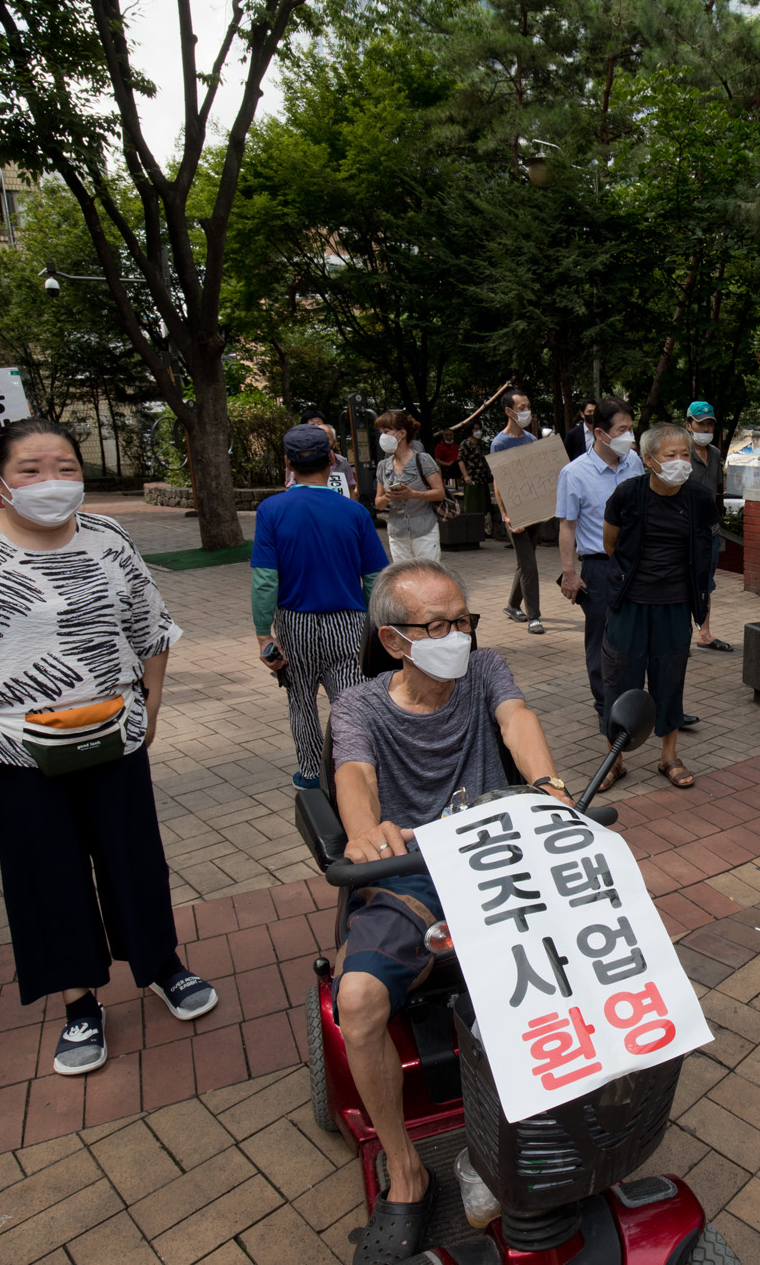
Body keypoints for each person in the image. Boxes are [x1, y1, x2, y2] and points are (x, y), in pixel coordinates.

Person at [0, 418, 216, 1078]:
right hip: (16, 748)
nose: (51, 481)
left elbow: (151, 629)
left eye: (65, 466)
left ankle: (160, 964)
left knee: (135, 859)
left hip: (112, 733)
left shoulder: (108, 536)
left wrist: (150, 706)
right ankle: (79, 1000)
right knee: (47, 874)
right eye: (31, 469)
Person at [328, 560, 574, 1262]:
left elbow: (517, 716)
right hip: (409, 877)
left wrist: (547, 784)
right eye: (438, 625)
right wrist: (364, 827)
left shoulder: (486, 668)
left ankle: (515, 1136)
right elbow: (352, 774)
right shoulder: (361, 704)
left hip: (495, 864)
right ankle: (405, 1168)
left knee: (575, 967)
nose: (459, 635)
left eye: (464, 619)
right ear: (396, 640)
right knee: (360, 997)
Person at [253, 426, 391, 792]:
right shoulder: (354, 512)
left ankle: (312, 775)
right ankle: (354, 773)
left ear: (287, 463)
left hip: (294, 622)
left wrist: (264, 633)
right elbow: (375, 578)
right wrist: (376, 624)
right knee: (349, 703)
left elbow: (265, 579)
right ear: (332, 460)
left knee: (300, 701)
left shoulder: (270, 510)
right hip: (348, 623)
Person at [601, 424, 718, 788]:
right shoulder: (627, 495)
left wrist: (703, 609)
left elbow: (705, 556)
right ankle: (614, 760)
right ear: (649, 459)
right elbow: (610, 545)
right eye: (671, 456)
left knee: (670, 680)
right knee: (620, 680)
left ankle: (668, 757)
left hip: (675, 605)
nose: (680, 462)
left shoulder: (699, 499)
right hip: (630, 603)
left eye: (685, 455)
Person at [556, 398, 643, 720]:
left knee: (636, 635)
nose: (628, 437)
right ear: (599, 433)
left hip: (637, 563)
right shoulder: (574, 473)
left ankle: (634, 700)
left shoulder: (633, 461)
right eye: (622, 430)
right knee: (601, 639)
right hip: (598, 565)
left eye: (630, 429)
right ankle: (605, 704)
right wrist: (569, 573)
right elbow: (566, 525)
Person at [489, 389, 547, 635]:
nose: (526, 411)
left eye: (527, 406)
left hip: (534, 510)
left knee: (525, 562)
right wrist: (506, 514)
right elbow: (499, 482)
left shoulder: (531, 440)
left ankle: (513, 605)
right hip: (515, 513)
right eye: (521, 407)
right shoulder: (499, 443)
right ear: (508, 411)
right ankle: (534, 616)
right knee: (530, 565)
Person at [687, 401, 732, 654]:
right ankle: (681, 634)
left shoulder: (714, 453)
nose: (705, 427)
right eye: (700, 422)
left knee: (706, 583)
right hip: (684, 529)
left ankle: (704, 633)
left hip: (710, 529)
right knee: (683, 580)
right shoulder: (680, 451)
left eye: (709, 424)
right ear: (689, 424)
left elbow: (716, 489)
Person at [373, 411, 446, 564]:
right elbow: (378, 504)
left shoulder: (422, 459)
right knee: (405, 580)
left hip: (424, 530)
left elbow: (439, 493)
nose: (383, 437)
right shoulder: (383, 466)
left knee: (429, 576)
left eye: (386, 432)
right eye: (381, 432)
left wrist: (412, 494)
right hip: (397, 532)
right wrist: (386, 497)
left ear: (402, 433)